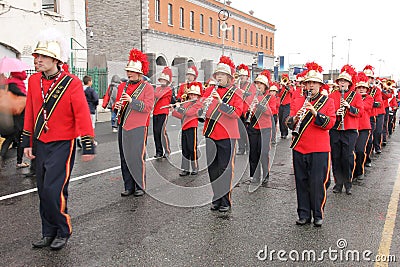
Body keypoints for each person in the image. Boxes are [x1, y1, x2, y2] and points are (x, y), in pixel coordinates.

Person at [21, 28, 95, 250]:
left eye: (42, 56)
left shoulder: (70, 83)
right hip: (42, 142)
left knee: (55, 189)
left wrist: (88, 143)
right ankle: (48, 231)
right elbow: (31, 112)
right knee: (43, 190)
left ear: (55, 59)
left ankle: (63, 229)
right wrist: (27, 142)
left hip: (63, 143)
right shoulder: (34, 81)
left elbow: (82, 113)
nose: (37, 60)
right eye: (36, 56)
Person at [286, 62, 336, 227]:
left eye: (314, 83)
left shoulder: (327, 102)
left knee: (317, 182)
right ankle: (304, 214)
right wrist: (294, 119)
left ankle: (318, 213)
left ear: (320, 85)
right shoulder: (298, 99)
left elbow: (330, 123)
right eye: (308, 83)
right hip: (299, 147)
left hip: (319, 149)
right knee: (301, 181)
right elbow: (289, 121)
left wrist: (315, 112)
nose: (310, 86)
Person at [199, 55, 242, 212]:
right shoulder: (210, 90)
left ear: (229, 77)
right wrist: (202, 105)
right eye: (217, 75)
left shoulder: (236, 92)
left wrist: (221, 103)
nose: (219, 77)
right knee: (213, 168)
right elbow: (202, 107)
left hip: (227, 135)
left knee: (225, 168)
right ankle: (216, 197)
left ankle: (225, 200)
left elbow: (236, 113)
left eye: (222, 75)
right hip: (211, 133)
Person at [115, 48, 154, 197]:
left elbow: (147, 107)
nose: (129, 73)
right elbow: (117, 105)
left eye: (132, 71)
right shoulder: (122, 87)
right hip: (123, 125)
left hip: (138, 127)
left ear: (140, 73)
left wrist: (132, 101)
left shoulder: (147, 88)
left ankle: (139, 186)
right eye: (128, 71)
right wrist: (116, 106)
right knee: (124, 157)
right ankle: (128, 186)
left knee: (136, 157)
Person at [329, 64, 364, 195]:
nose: (342, 83)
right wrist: (336, 113)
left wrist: (349, 107)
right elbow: (329, 111)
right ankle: (338, 183)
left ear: (349, 83)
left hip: (349, 130)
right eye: (340, 81)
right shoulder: (332, 95)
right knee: (336, 157)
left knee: (347, 157)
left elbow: (360, 112)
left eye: (345, 81)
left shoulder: (356, 96)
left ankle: (348, 183)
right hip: (336, 129)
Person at [245, 70, 276, 185]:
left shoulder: (270, 98)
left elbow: (271, 112)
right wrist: (248, 111)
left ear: (265, 86)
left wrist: (259, 106)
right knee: (253, 153)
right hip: (253, 127)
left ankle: (266, 174)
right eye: (257, 84)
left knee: (263, 153)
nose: (258, 86)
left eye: (261, 84)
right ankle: (254, 175)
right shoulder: (251, 97)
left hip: (265, 129)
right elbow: (244, 111)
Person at [171, 81, 203, 176]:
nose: (192, 96)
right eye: (191, 94)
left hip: (192, 127)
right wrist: (173, 111)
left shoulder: (198, 104)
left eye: (194, 95)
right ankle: (185, 168)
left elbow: (189, 113)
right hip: (184, 127)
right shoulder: (186, 104)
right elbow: (182, 116)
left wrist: (179, 107)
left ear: (198, 96)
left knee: (191, 148)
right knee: (184, 149)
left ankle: (195, 167)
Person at [0, 71, 29, 169]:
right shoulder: (14, 84)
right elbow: (23, 97)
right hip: (18, 117)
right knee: (20, 139)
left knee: (10, 138)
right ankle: (19, 161)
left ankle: (2, 156)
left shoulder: (6, 84)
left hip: (9, 116)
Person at [353, 72, 373, 185]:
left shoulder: (369, 98)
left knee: (360, 150)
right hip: (352, 127)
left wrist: (356, 100)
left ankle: (360, 170)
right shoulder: (354, 97)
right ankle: (352, 172)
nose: (361, 89)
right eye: (359, 87)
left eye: (363, 87)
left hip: (364, 128)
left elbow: (364, 107)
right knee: (352, 152)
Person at [153, 66, 172, 159]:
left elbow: (159, 95)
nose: (162, 81)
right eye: (162, 79)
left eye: (164, 80)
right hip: (156, 112)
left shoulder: (168, 89)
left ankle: (167, 150)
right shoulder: (157, 88)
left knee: (162, 132)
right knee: (156, 132)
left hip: (164, 112)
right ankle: (159, 151)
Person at [236, 64, 256, 155]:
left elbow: (251, 96)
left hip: (246, 111)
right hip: (238, 110)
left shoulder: (251, 86)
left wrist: (243, 92)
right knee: (239, 130)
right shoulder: (237, 85)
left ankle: (248, 146)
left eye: (243, 76)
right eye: (240, 76)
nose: (241, 78)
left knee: (247, 131)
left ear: (247, 77)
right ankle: (241, 148)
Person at [277, 73, 293, 139]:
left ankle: (285, 133)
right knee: (280, 119)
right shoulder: (281, 87)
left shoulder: (290, 86)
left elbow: (292, 92)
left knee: (284, 119)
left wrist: (286, 86)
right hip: (281, 105)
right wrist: (280, 88)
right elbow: (278, 95)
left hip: (287, 105)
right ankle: (282, 132)